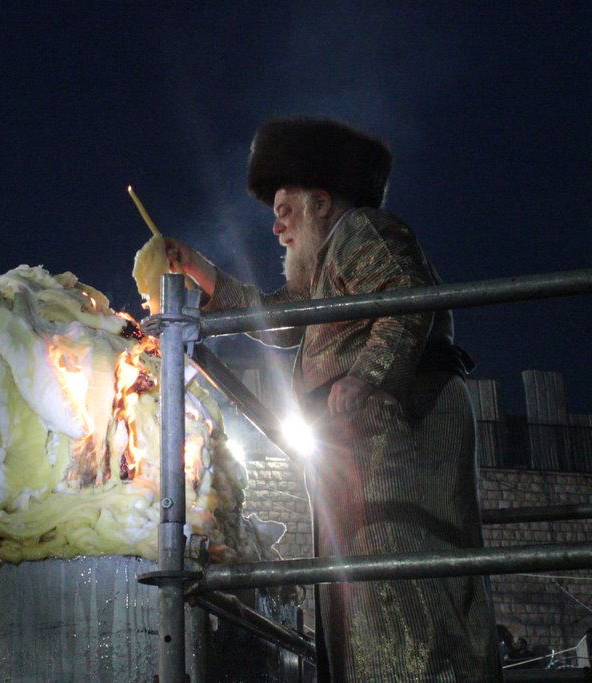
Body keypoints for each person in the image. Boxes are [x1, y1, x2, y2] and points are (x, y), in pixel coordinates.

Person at [165, 118, 500, 681]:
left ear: (322, 202)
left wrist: (366, 377)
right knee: (365, 594)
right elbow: (282, 320)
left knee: (401, 589)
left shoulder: (362, 231)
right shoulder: (325, 269)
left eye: (285, 209)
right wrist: (202, 272)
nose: (276, 228)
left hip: (396, 439)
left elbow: (408, 298)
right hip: (362, 450)